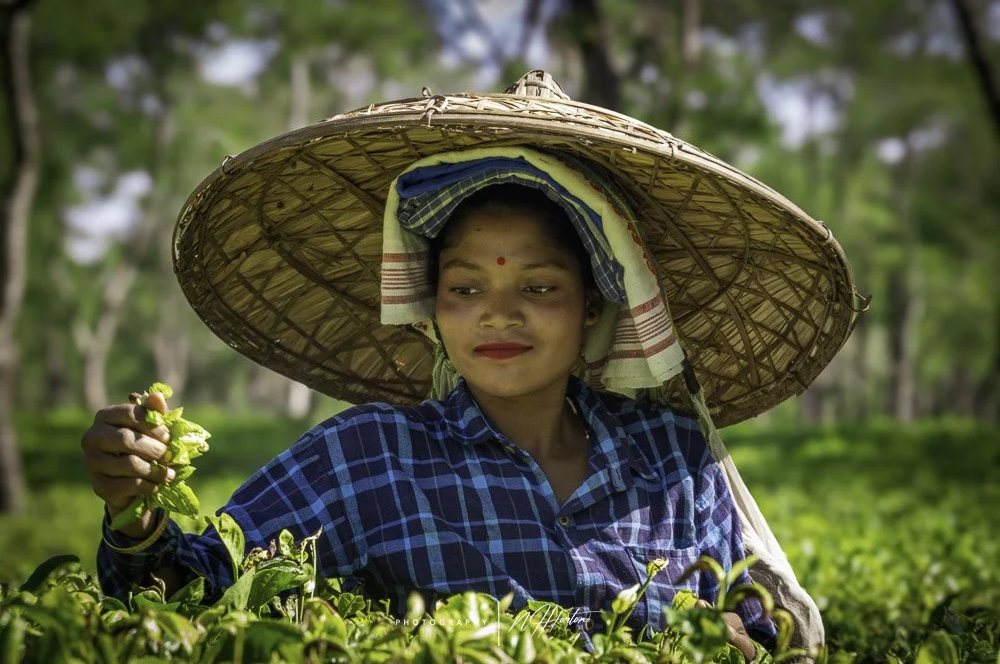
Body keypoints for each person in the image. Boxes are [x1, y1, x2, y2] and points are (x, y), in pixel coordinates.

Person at [83, 71, 857, 659]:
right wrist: (133, 511)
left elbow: (763, 602)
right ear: (433, 305)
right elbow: (185, 596)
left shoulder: (673, 456)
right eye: (466, 286)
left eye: (540, 285)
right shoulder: (368, 457)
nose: (499, 312)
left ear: (593, 303)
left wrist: (740, 626)